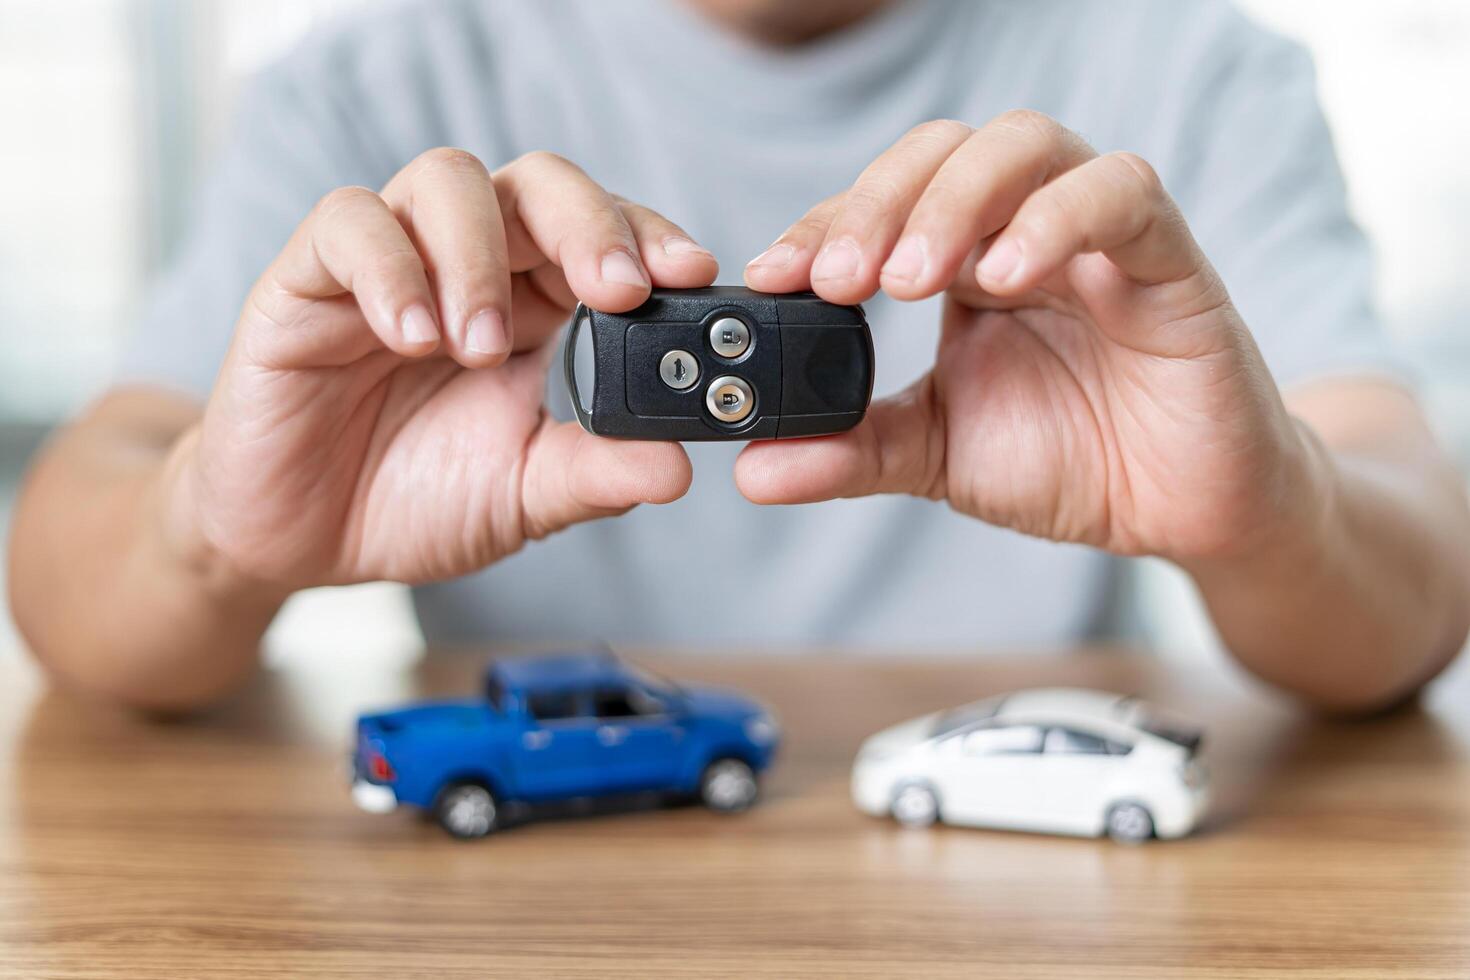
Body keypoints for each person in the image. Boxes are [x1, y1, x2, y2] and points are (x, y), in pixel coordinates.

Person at [8, 0, 1469, 712]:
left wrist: (1268, 512)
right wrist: (212, 537)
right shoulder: (369, 81)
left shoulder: (1192, 71)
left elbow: (1414, 592)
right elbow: (68, 559)